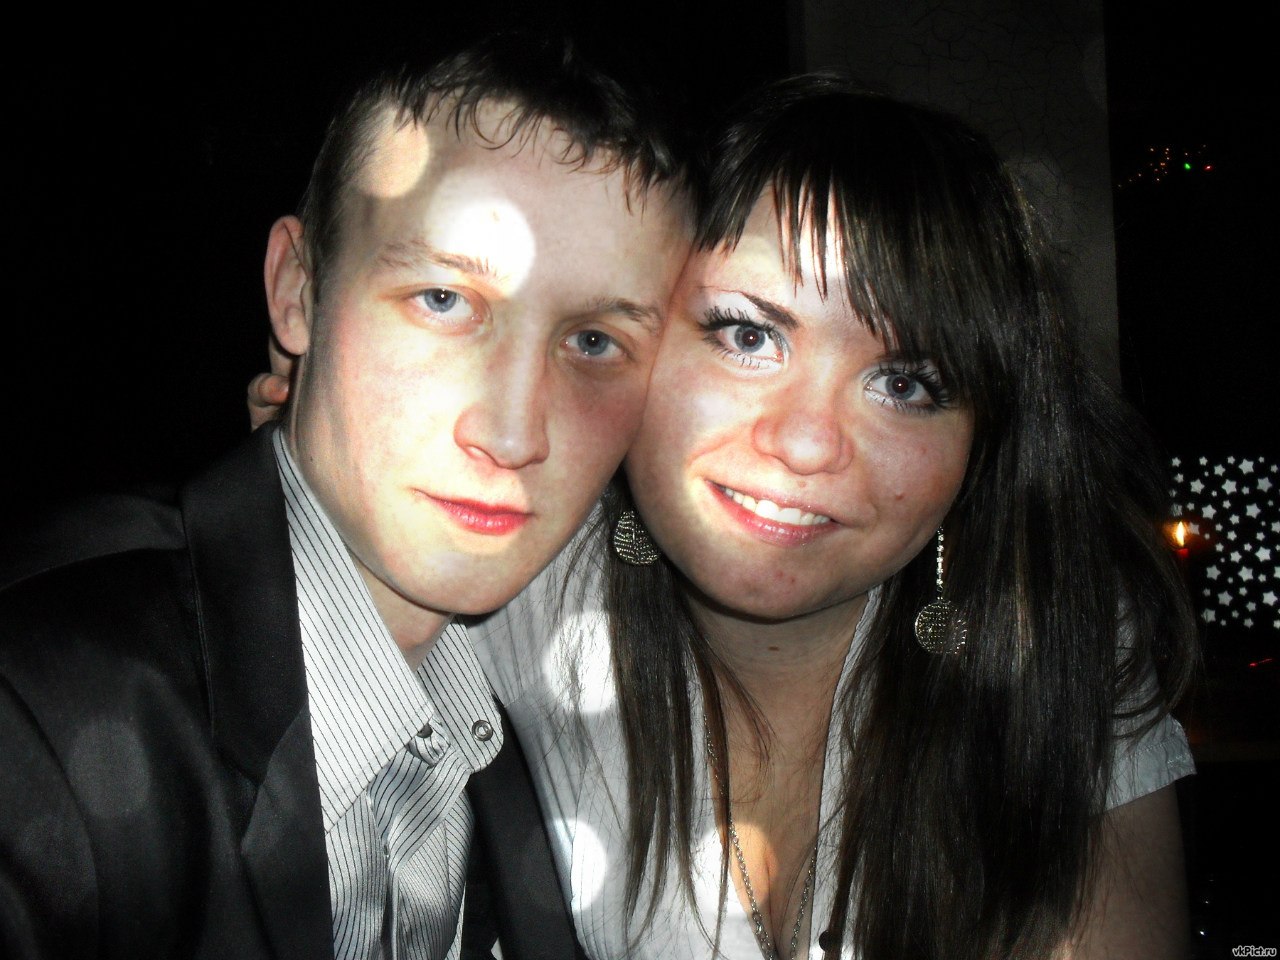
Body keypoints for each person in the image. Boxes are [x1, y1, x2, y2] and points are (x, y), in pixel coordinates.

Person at [248, 78, 1197, 958]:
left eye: (906, 383)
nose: (809, 443)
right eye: (749, 334)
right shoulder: (513, 575)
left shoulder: (1055, 648)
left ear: (982, 442)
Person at [0, 34, 690, 960]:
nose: (514, 434)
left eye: (594, 342)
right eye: (443, 299)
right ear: (298, 290)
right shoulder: (38, 706)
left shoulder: (542, 720)